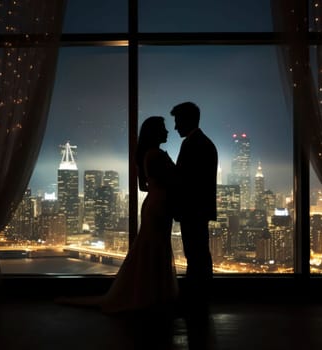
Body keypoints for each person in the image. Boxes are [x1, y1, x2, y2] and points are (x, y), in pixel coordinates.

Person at [56, 116, 178, 314]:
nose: (167, 131)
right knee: (157, 248)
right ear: (154, 132)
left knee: (150, 247)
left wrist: (157, 187)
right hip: (160, 206)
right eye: (163, 128)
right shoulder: (156, 155)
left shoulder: (146, 155)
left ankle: (147, 294)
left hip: (153, 204)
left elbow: (143, 186)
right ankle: (155, 295)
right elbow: (174, 181)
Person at [170, 101, 218, 311]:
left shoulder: (193, 144)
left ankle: (196, 299)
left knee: (195, 254)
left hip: (192, 210)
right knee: (199, 254)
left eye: (178, 121)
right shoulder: (204, 143)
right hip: (198, 210)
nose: (175, 127)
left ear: (188, 120)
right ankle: (200, 298)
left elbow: (185, 181)